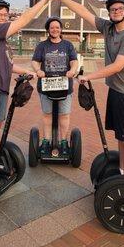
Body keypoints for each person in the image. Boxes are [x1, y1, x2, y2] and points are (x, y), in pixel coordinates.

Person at [46, 0, 124, 177]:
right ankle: (122, 171)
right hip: (115, 90)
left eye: (120, 9)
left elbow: (117, 66)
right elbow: (83, 11)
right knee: (121, 137)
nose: (115, 12)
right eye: (112, 9)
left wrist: (89, 76)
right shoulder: (108, 28)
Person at [0, 0, 49, 163]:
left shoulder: (3, 42)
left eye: (5, 14)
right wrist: (44, 1)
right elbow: (25, 19)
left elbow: (9, 66)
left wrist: (29, 72)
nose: (2, 17)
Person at [31, 16, 78, 155]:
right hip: (47, 86)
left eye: (57, 27)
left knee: (64, 115)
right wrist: (38, 70)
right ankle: (46, 140)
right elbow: (35, 61)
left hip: (64, 86)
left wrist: (72, 70)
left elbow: (74, 61)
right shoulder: (42, 46)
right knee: (47, 115)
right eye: (52, 27)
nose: (55, 29)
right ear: (48, 30)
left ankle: (63, 141)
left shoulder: (68, 45)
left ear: (61, 29)